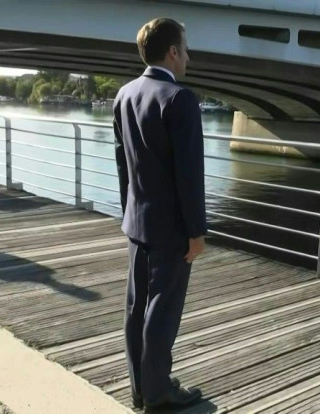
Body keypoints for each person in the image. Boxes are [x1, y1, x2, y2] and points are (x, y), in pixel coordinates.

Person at [113, 17, 206, 411]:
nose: (187, 56)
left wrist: (129, 213)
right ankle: (158, 393)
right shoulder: (178, 98)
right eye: (184, 48)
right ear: (172, 51)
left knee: (137, 309)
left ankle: (140, 387)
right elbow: (189, 174)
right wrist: (196, 232)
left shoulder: (124, 95)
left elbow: (123, 165)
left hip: (138, 223)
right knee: (161, 312)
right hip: (171, 230)